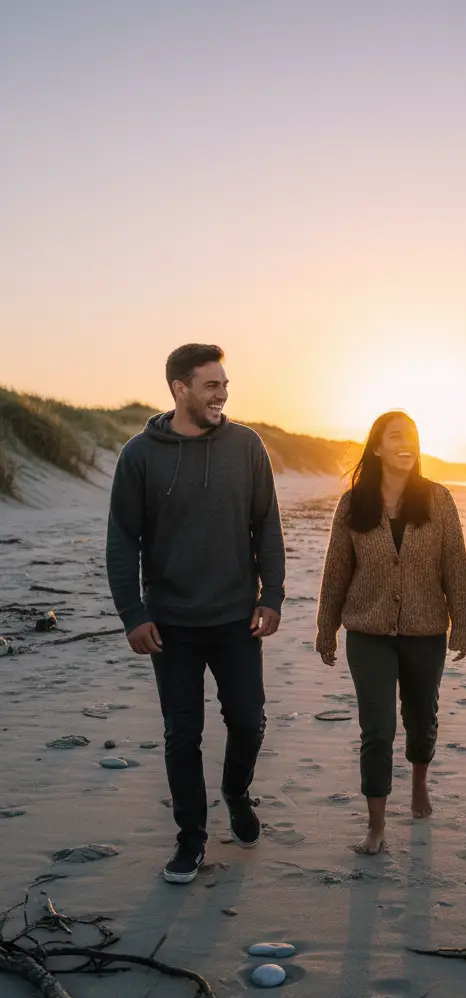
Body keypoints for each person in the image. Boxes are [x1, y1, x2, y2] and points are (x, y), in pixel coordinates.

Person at [106, 344, 285, 885]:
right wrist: (132, 613)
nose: (222, 394)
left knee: (248, 721)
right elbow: (122, 539)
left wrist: (272, 595)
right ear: (180, 389)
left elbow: (267, 525)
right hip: (170, 624)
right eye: (211, 385)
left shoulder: (246, 446)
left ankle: (235, 791)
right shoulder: (140, 455)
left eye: (225, 384)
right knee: (182, 734)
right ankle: (191, 837)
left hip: (236, 618)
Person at [315, 411, 466, 855]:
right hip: (368, 632)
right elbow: (336, 572)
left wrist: (463, 624)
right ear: (377, 447)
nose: (407, 443)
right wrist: (326, 628)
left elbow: (455, 565)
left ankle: (419, 782)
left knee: (422, 720)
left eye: (413, 436)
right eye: (396, 436)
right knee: (377, 728)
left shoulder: (438, 499)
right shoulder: (353, 505)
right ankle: (376, 826)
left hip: (426, 631)